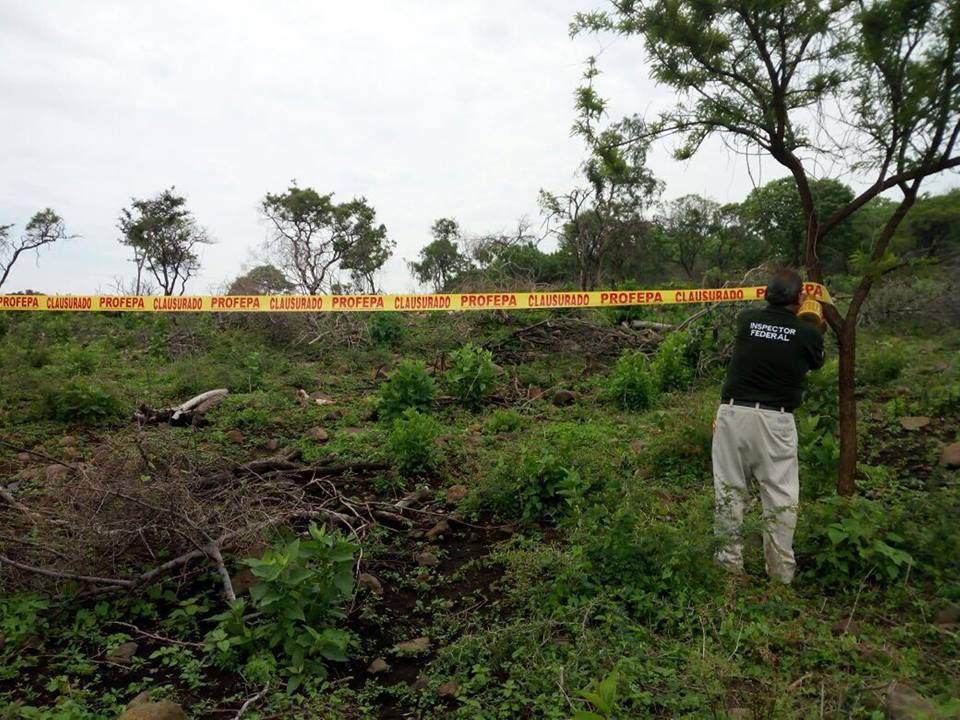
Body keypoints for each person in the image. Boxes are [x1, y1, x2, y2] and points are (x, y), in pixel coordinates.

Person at [712, 269, 826, 584]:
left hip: (733, 414)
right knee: (780, 496)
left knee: (729, 491)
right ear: (800, 297)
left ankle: (728, 568)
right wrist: (814, 323)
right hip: (775, 420)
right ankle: (780, 575)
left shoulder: (747, 320)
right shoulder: (808, 334)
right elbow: (815, 361)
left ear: (765, 295)